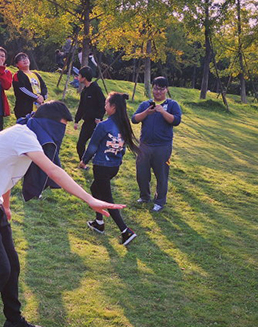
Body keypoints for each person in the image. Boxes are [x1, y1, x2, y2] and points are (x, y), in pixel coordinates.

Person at [0, 101, 126, 327]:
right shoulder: (24, 136)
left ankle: (13, 321)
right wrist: (90, 199)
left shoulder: (26, 134)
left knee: (12, 265)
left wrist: (5, 206)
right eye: (60, 128)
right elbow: (53, 171)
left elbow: (7, 171)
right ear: (47, 122)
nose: (60, 135)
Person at [80, 92, 139, 245]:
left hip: (101, 167)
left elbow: (92, 146)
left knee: (108, 200)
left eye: (106, 103)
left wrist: (84, 161)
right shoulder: (124, 125)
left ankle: (125, 231)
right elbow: (123, 148)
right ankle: (99, 222)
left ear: (113, 107)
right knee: (95, 188)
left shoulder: (103, 125)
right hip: (114, 167)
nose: (104, 106)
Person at [131, 76, 182, 212]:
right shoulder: (145, 104)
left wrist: (162, 111)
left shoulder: (172, 105)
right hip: (145, 145)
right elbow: (134, 119)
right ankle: (144, 196)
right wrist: (147, 112)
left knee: (161, 174)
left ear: (166, 90)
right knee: (141, 173)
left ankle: (159, 201)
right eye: (155, 88)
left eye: (161, 89)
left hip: (163, 146)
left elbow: (176, 121)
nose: (158, 92)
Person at [73, 66, 106, 166]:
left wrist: (98, 118)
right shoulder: (84, 91)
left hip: (96, 123)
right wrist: (76, 120)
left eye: (79, 75)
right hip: (87, 122)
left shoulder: (96, 89)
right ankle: (83, 163)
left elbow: (103, 104)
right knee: (80, 144)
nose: (78, 77)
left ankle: (100, 162)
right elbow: (81, 107)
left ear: (84, 78)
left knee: (96, 145)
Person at [12, 52, 48, 118]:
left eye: (25, 58)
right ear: (17, 64)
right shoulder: (18, 75)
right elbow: (22, 89)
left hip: (39, 109)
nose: (24, 60)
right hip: (24, 109)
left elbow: (44, 87)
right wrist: (36, 97)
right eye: (20, 59)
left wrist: (43, 97)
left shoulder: (36, 74)